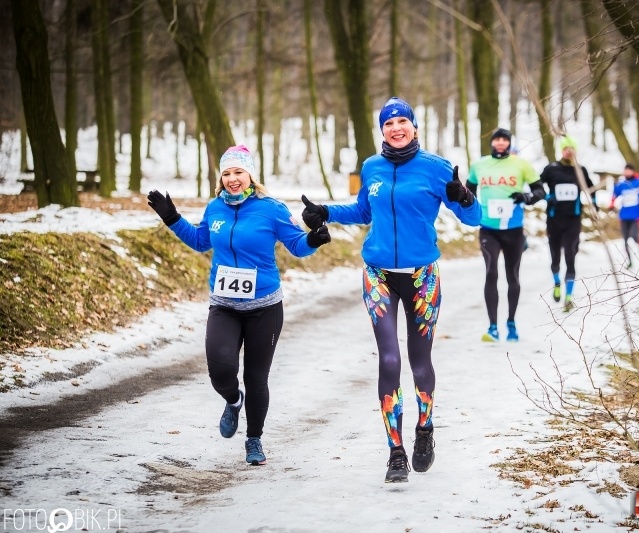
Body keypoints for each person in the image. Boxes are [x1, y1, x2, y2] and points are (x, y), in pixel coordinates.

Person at [300, 97, 481, 483]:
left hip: (421, 277)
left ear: (415, 127)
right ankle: (395, 452)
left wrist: (464, 195)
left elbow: (473, 219)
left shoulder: (437, 169)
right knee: (389, 360)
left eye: (403, 121)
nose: (396, 127)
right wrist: (326, 211)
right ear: (381, 130)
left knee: (419, 361)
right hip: (379, 274)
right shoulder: (371, 167)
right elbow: (365, 211)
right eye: (388, 123)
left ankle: (425, 429)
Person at [147, 145, 330, 466]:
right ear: (221, 177)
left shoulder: (270, 209)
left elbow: (297, 246)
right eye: (227, 173)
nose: (233, 179)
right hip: (225, 305)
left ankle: (254, 439)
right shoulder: (215, 208)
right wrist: (172, 218)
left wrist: (314, 238)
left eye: (238, 172)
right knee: (220, 370)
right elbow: (201, 241)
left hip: (265, 307)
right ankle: (233, 401)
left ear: (250, 176)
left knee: (256, 377)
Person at [466, 128, 545, 342]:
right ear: (492, 142)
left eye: (504, 139)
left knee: (513, 276)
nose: (500, 143)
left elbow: (540, 191)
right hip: (488, 229)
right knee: (491, 272)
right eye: (497, 139)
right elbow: (468, 192)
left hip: (514, 229)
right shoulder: (479, 165)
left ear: (509, 143)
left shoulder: (521, 164)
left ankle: (511, 322)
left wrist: (525, 197)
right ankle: (492, 326)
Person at [540, 136, 596, 312]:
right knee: (555, 258)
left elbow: (591, 189)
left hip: (573, 221)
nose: (569, 151)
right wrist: (548, 197)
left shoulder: (580, 170)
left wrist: (595, 206)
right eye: (566, 148)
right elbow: (537, 187)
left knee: (571, 257)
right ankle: (557, 282)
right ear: (561, 150)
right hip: (554, 220)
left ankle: (569, 296)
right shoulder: (551, 169)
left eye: (572, 148)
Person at [610, 163, 639, 268]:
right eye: (625, 170)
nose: (627, 172)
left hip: (635, 216)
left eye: (629, 170)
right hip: (623, 216)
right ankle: (629, 261)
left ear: (633, 171)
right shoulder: (621, 184)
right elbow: (614, 196)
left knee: (634, 236)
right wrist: (611, 205)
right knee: (625, 240)